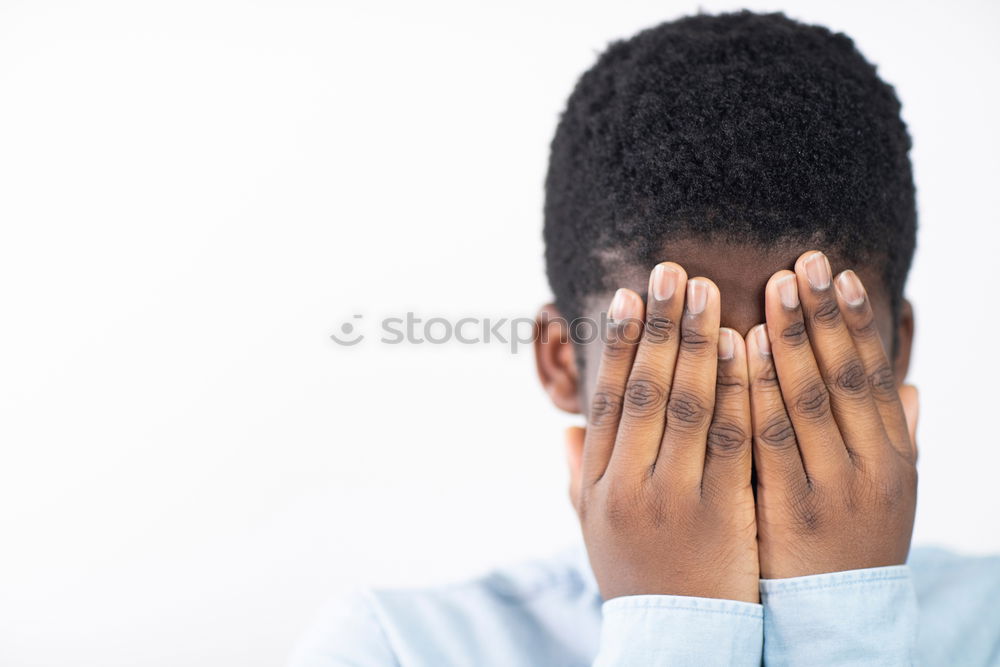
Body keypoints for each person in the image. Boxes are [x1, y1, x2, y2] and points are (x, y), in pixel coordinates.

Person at [289, 11, 1000, 665]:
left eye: (801, 360)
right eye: (682, 363)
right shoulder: (397, 647)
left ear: (892, 352)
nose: (745, 427)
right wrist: (674, 617)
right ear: (564, 359)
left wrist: (846, 608)